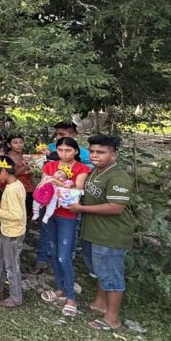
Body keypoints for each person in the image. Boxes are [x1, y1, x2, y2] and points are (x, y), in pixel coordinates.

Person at [67, 135, 133, 331]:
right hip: (93, 232)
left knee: (111, 275)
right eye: (93, 151)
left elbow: (116, 207)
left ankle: (112, 319)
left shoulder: (118, 176)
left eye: (101, 152)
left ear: (113, 154)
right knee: (98, 270)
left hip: (110, 234)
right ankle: (99, 303)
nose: (95, 155)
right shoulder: (96, 171)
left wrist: (82, 210)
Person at [39, 137, 90, 318]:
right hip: (50, 213)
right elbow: (44, 185)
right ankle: (60, 289)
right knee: (53, 251)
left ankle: (70, 297)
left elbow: (77, 190)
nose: (63, 153)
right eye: (60, 150)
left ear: (76, 151)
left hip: (68, 216)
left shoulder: (81, 169)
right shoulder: (50, 166)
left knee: (64, 256)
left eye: (67, 150)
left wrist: (55, 182)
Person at [0, 157, 27, 307]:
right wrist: (2, 204)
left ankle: (16, 297)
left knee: (11, 266)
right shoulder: (17, 184)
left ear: (4, 171)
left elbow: (16, 215)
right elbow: (14, 208)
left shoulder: (11, 190)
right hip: (9, 231)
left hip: (12, 233)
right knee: (2, 262)